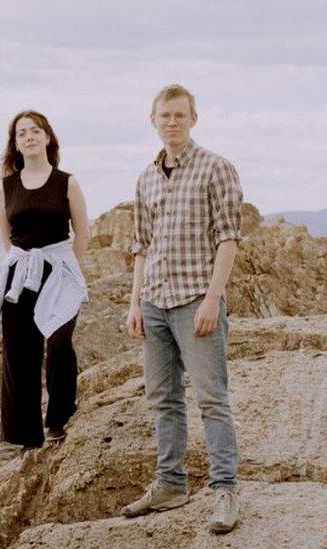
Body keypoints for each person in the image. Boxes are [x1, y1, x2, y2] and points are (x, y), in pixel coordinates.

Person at [122, 84, 243, 535]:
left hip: (196, 300)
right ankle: (171, 483)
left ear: (194, 118)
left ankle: (225, 490)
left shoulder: (216, 168)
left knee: (212, 399)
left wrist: (213, 299)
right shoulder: (146, 178)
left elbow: (228, 238)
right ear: (152, 121)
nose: (171, 122)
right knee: (163, 400)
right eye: (164, 116)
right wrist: (135, 303)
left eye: (179, 115)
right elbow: (141, 246)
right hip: (153, 301)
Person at [0, 111, 90, 449]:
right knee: (20, 353)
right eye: (21, 133)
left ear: (47, 137)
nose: (28, 137)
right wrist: (22, 266)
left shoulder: (66, 182)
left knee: (58, 343)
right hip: (20, 271)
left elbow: (82, 233)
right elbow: (6, 237)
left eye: (34, 131)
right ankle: (25, 435)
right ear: (15, 143)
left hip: (58, 270)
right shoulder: (6, 186)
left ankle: (59, 419)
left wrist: (66, 269)